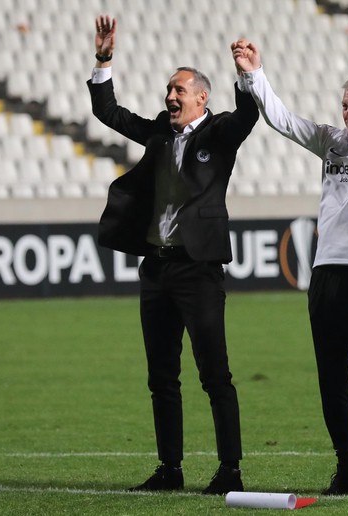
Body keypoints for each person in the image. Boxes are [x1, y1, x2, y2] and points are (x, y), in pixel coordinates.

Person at [233, 15, 348, 496]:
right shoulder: (331, 141)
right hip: (326, 275)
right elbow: (283, 120)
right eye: (344, 106)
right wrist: (255, 75)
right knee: (331, 379)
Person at [88, 15, 260, 495]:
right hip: (157, 268)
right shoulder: (160, 134)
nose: (170, 97)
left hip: (198, 269)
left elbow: (248, 115)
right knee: (161, 376)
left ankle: (230, 469)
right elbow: (110, 114)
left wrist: (247, 74)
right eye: (168, 90)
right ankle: (170, 469)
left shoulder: (220, 133)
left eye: (179, 91)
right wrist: (104, 59)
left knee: (215, 375)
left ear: (201, 97)